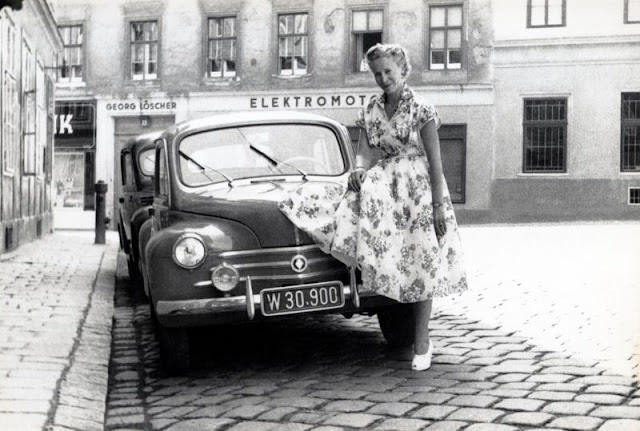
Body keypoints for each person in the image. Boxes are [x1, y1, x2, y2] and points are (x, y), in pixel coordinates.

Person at [279, 43, 467, 371]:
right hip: (384, 185)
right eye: (377, 74)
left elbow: (436, 164)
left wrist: (438, 206)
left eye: (389, 73)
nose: (383, 79)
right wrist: (358, 168)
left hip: (418, 190)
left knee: (422, 260)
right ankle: (377, 300)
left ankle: (421, 340)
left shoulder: (422, 109)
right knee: (347, 213)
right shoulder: (370, 109)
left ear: (404, 71)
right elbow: (365, 151)